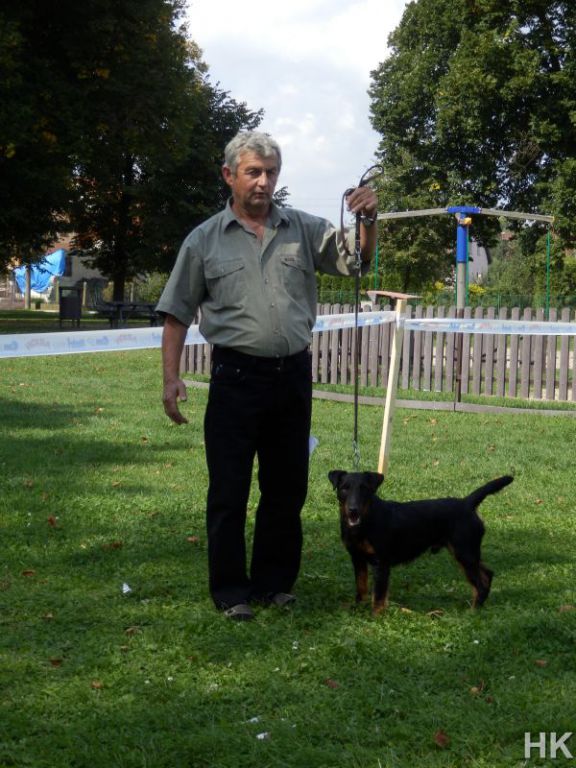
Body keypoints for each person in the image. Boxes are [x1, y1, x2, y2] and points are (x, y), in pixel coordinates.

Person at [157, 131, 378, 621]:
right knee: (229, 490)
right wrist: (171, 378)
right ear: (229, 175)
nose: (263, 182)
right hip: (235, 379)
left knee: (286, 489)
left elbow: (357, 261)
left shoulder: (303, 228)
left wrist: (368, 219)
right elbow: (175, 314)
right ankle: (231, 592)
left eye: (271, 173)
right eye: (253, 172)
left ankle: (274, 585)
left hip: (291, 377)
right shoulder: (204, 240)